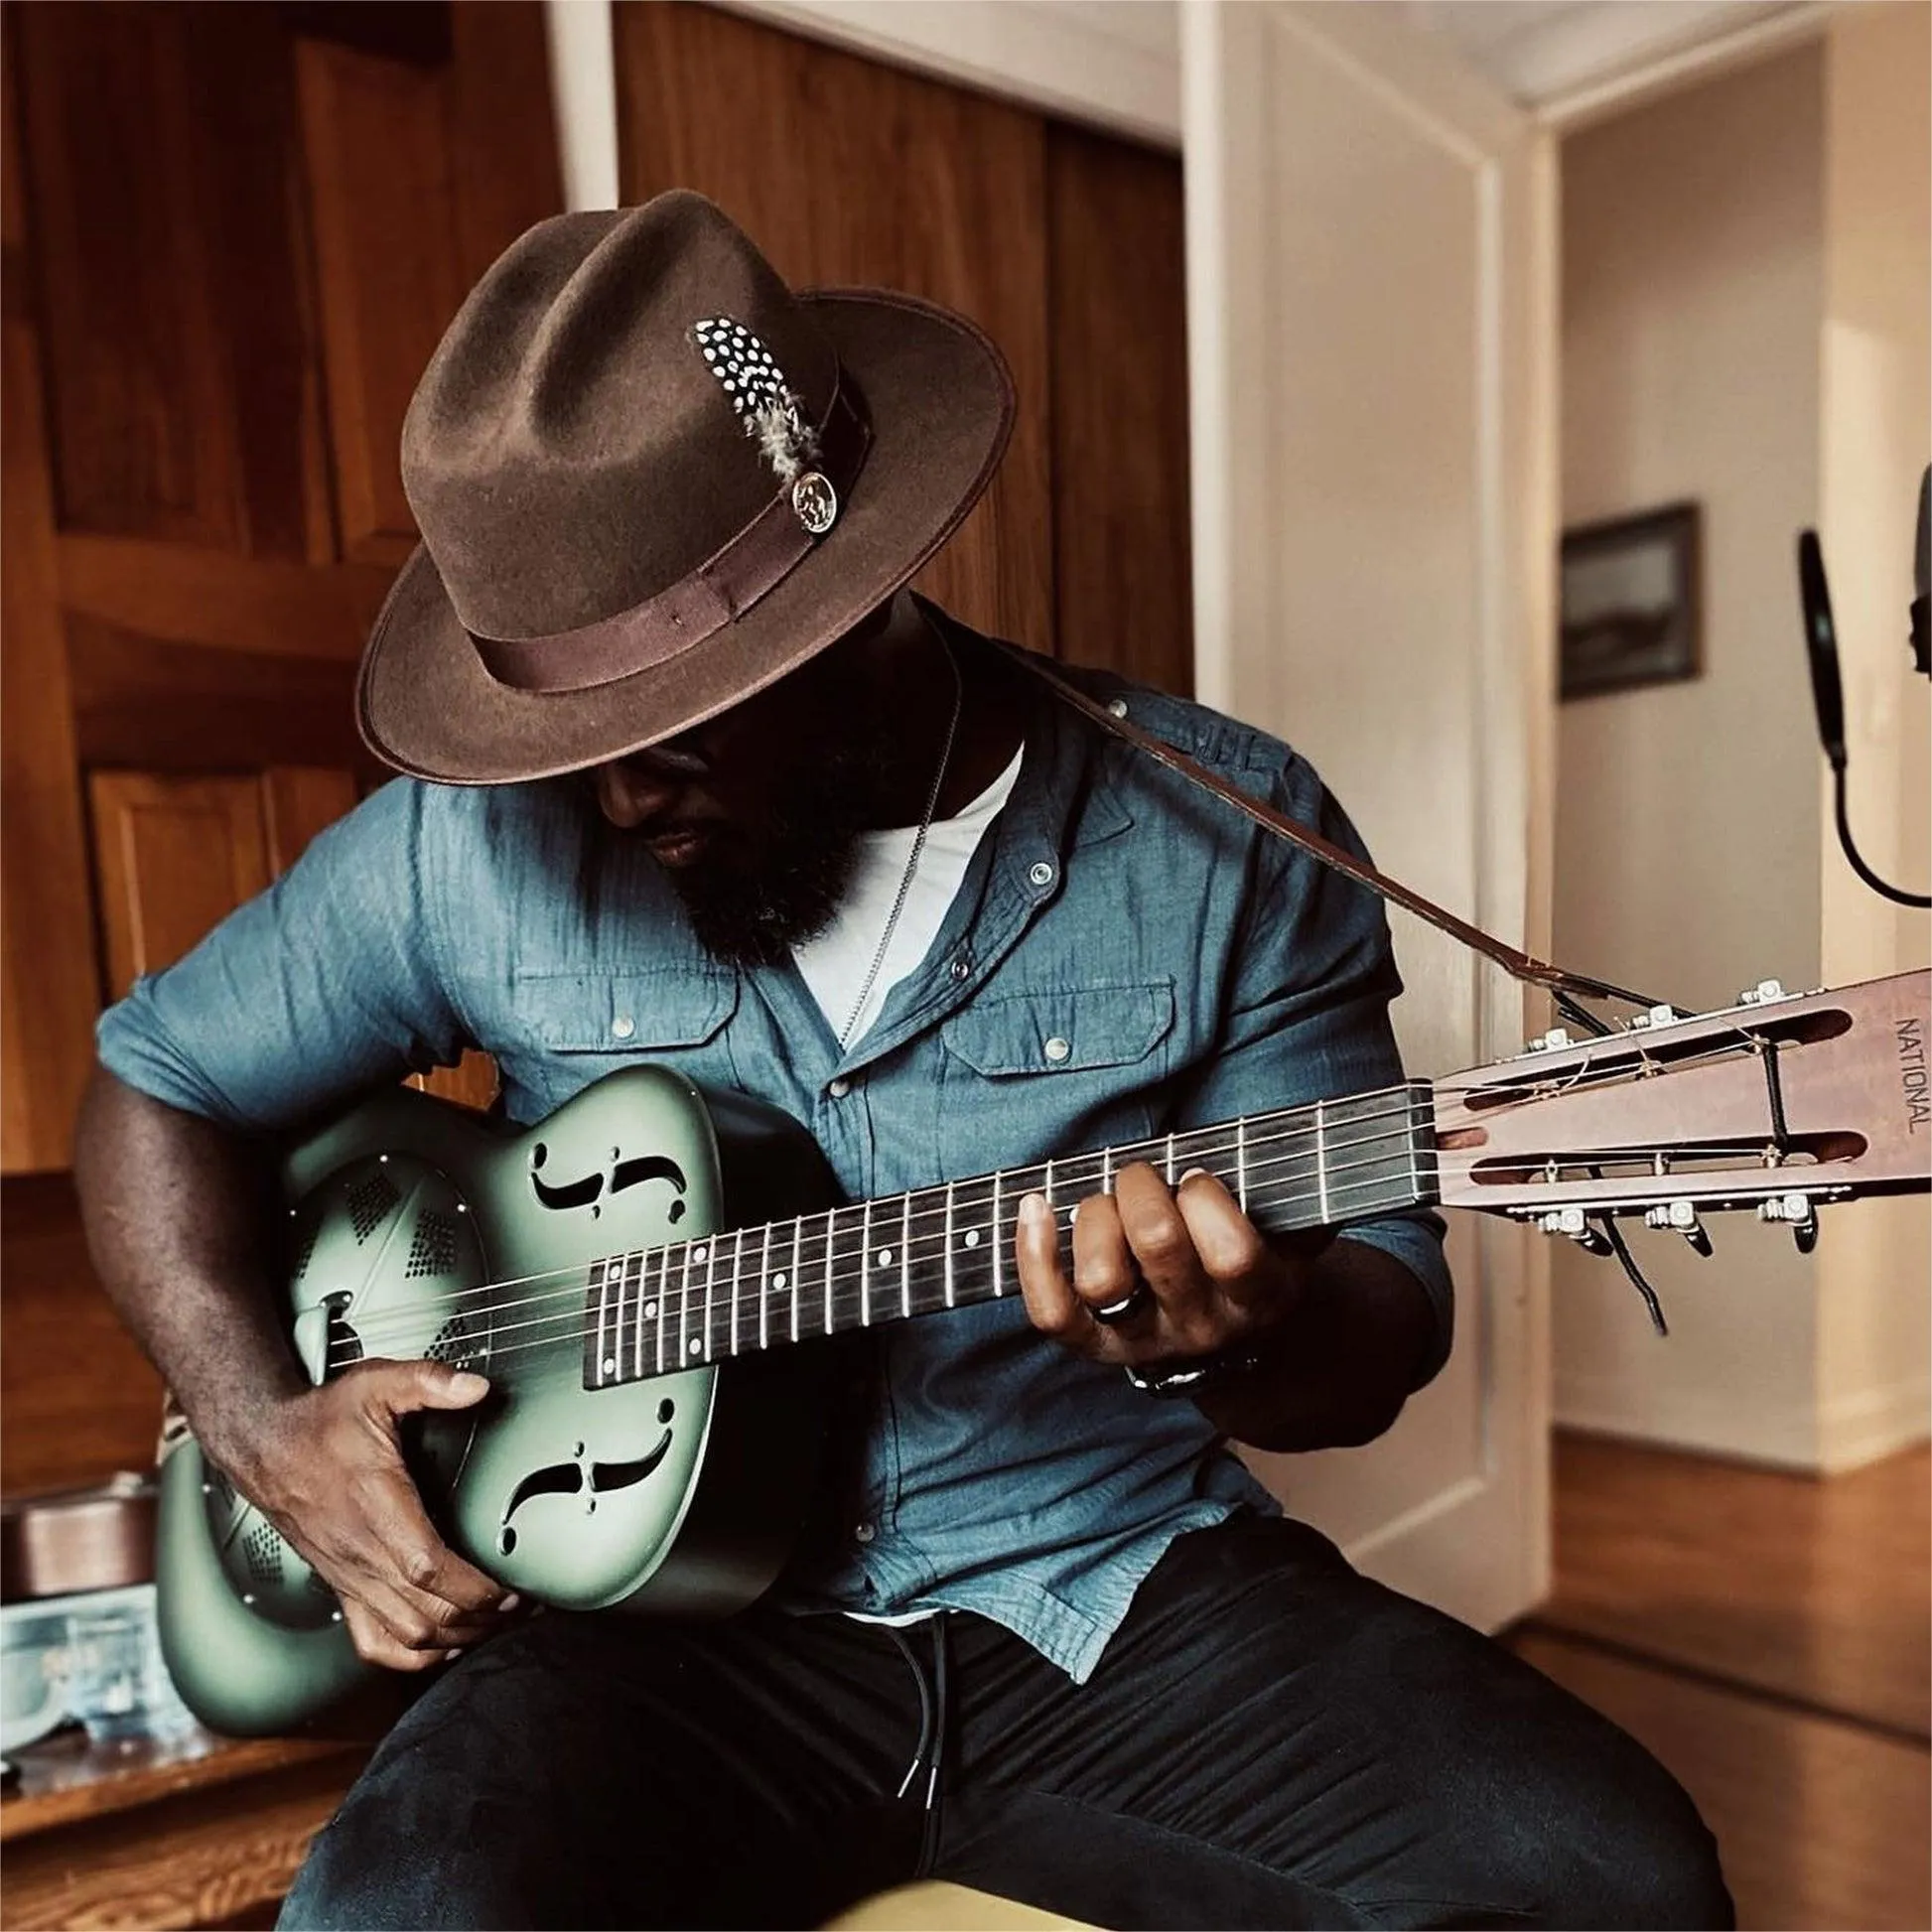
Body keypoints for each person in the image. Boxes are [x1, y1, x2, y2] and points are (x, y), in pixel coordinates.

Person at [73, 193, 1732, 1931]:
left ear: (858, 593)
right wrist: (260, 1418)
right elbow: (153, 1084)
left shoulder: (1216, 830)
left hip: (1108, 1580)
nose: (626, 796)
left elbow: (1377, 1330)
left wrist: (1235, 1339)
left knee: (1612, 1886)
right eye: (574, 745)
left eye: (683, 721)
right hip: (658, 1639)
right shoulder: (458, 852)